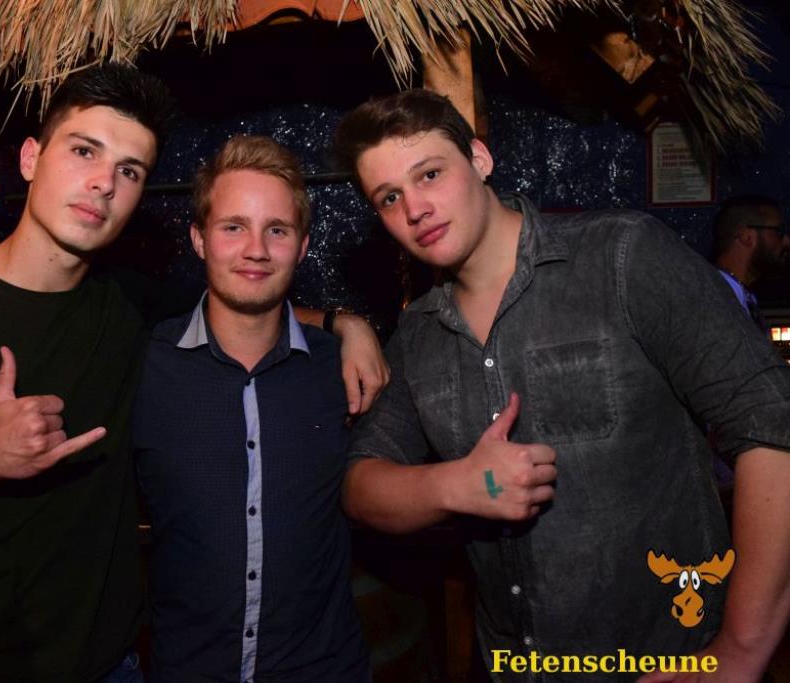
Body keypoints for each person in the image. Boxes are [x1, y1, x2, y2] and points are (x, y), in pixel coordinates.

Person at [0, 64, 387, 682]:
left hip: (114, 667)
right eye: (84, 150)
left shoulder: (134, 308)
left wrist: (344, 324)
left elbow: (243, 301)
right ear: (30, 158)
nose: (104, 182)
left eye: (129, 171)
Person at [331, 89, 790, 681]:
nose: (415, 208)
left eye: (430, 174)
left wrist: (741, 651)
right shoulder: (419, 334)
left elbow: (770, 423)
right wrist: (459, 484)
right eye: (390, 197)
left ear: (479, 159)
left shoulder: (621, 256)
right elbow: (360, 485)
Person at [133, 136, 370, 682]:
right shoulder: (144, 366)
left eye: (277, 230)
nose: (256, 249)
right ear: (199, 239)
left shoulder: (341, 370)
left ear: (303, 246)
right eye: (234, 227)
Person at [711, 194, 789, 330]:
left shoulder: (742, 298)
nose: (787, 241)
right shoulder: (712, 300)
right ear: (747, 237)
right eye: (779, 232)